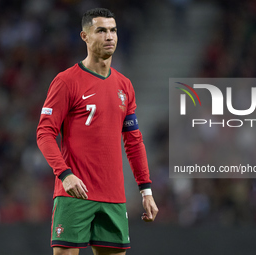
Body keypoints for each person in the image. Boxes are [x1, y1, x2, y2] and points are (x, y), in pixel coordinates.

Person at [36, 8, 158, 255]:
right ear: (85, 36)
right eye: (101, 30)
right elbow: (45, 133)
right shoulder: (66, 81)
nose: (109, 36)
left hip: (113, 196)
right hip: (75, 194)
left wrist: (146, 190)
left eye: (113, 30)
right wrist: (65, 174)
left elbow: (133, 142)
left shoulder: (124, 86)